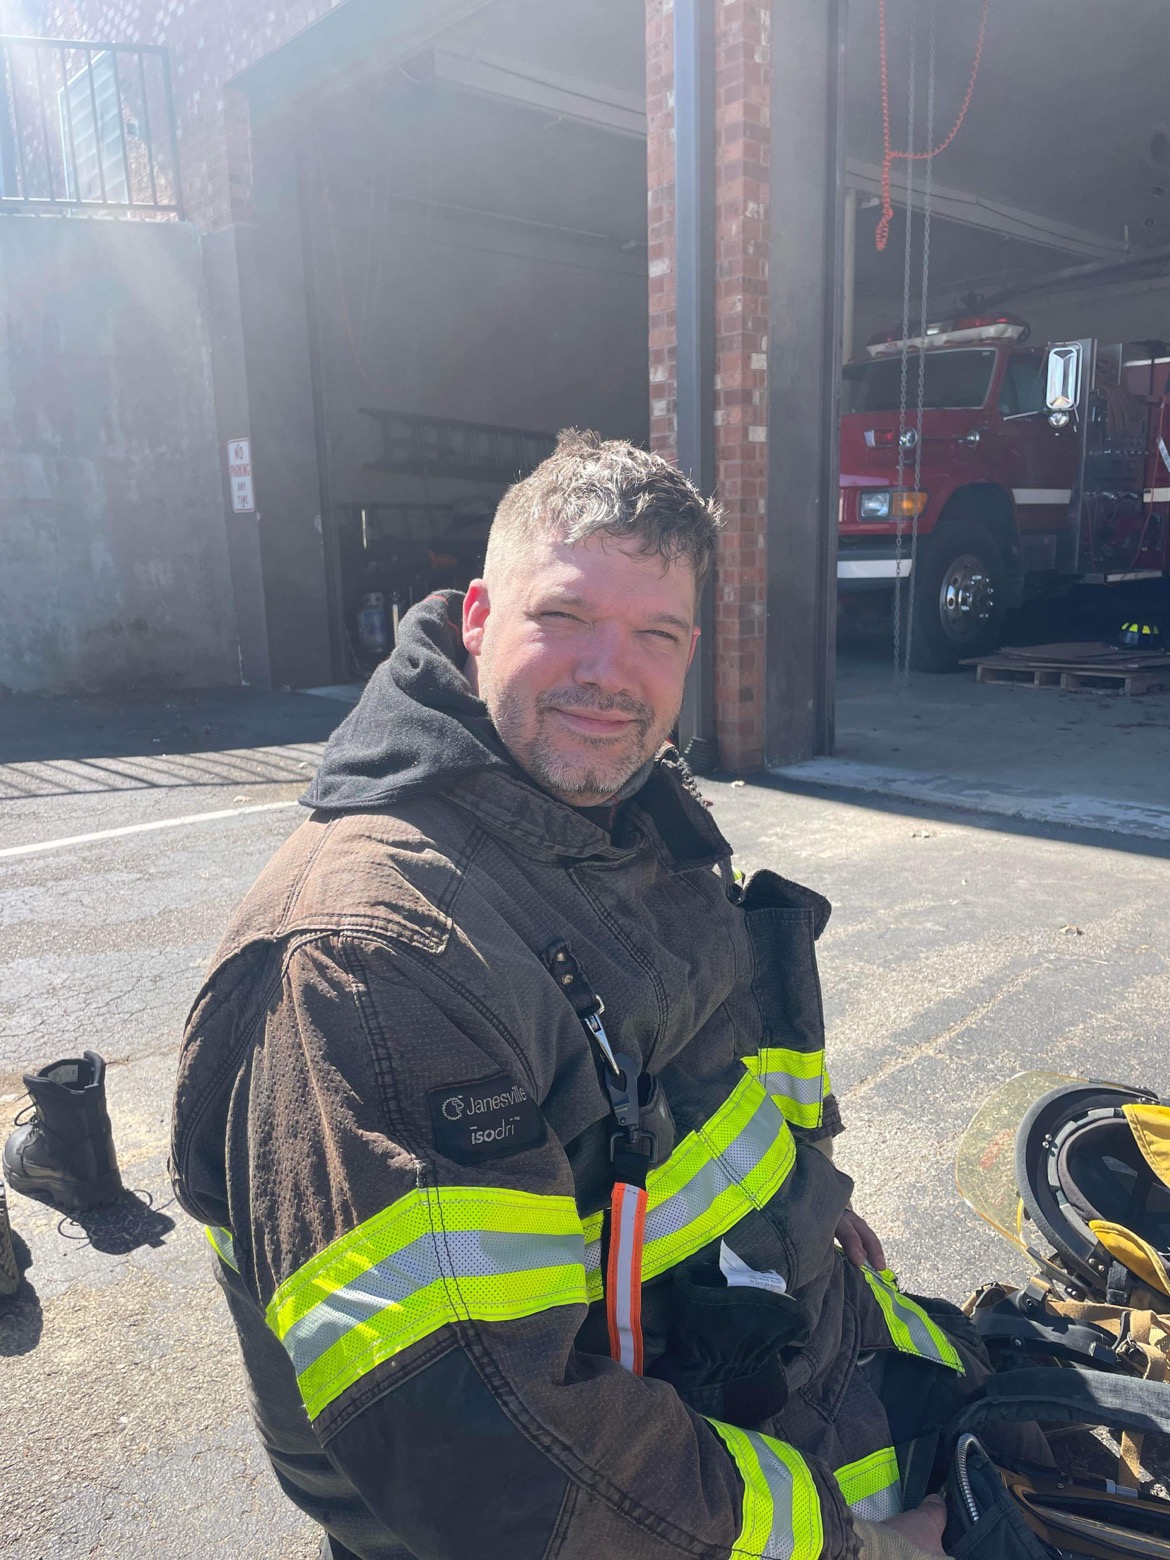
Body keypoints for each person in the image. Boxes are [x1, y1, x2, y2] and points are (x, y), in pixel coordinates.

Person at [171, 431, 972, 1560]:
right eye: (567, 619)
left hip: (793, 1363)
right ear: (479, 617)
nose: (611, 674)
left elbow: (694, 1089)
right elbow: (500, 1464)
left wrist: (799, 1206)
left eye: (656, 634)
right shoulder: (372, 961)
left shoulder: (618, 812)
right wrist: (861, 1549)